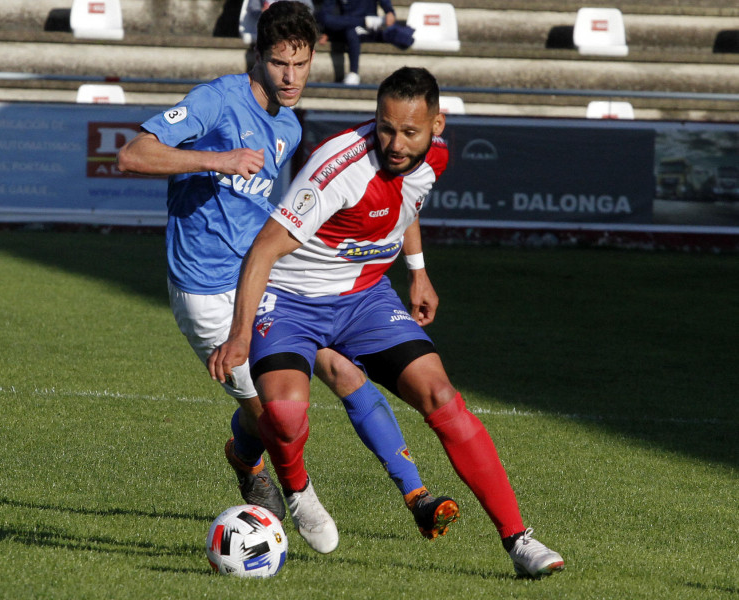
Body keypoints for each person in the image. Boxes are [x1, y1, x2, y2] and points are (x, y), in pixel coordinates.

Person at [117, 3, 455, 548]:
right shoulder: (217, 100)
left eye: (301, 64)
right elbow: (133, 155)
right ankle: (282, 486)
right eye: (279, 64)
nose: (291, 77)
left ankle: (416, 494)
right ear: (259, 56)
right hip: (205, 288)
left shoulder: (289, 123)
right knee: (276, 416)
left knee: (345, 373)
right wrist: (218, 159)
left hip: (266, 279)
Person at [208, 66, 566, 578]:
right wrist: (240, 335)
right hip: (291, 301)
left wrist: (418, 272)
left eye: (409, 132)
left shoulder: (434, 156)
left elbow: (406, 201)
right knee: (285, 417)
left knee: (442, 396)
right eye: (385, 128)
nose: (395, 143)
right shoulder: (336, 168)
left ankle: (519, 541)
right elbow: (263, 251)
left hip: (365, 298)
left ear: (436, 126)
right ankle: (299, 489)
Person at [316, 0, 396, 85]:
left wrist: (389, 11)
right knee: (330, 20)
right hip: (346, 26)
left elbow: (389, 11)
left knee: (351, 31)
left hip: (365, 30)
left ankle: (353, 72)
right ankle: (367, 21)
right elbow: (325, 15)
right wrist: (328, 31)